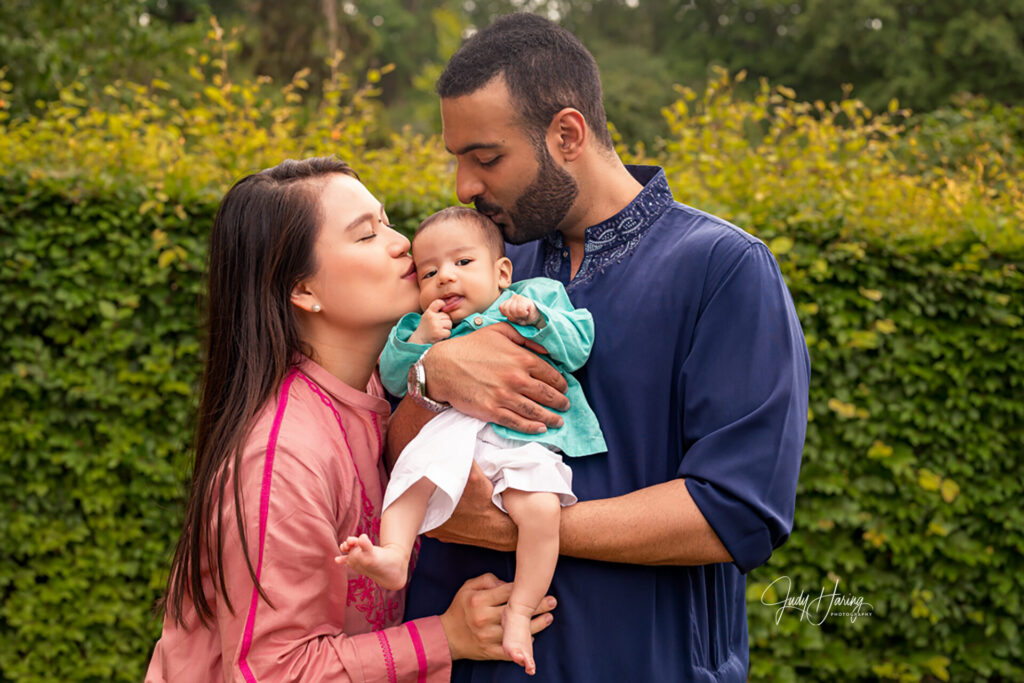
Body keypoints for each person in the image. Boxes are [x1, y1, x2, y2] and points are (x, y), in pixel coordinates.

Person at [390, 13, 812, 682]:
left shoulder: (723, 268)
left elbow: (736, 510)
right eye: (457, 159)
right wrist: (431, 375)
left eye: (486, 157)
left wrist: (517, 524)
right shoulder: (476, 267)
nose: (464, 186)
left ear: (567, 134)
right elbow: (393, 454)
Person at [145, 157, 556, 682]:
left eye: (387, 221)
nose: (402, 243)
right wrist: (446, 637)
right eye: (366, 235)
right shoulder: (283, 457)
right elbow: (273, 673)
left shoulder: (373, 389)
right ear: (303, 291)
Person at [338, 207, 605, 676]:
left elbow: (578, 343)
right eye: (429, 273)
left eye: (463, 263)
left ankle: (521, 610)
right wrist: (422, 341)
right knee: (411, 479)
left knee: (542, 513)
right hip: (451, 433)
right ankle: (394, 555)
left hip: (524, 441)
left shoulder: (535, 296)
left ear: (502, 273)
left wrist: (538, 318)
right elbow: (396, 378)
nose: (445, 278)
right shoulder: (418, 325)